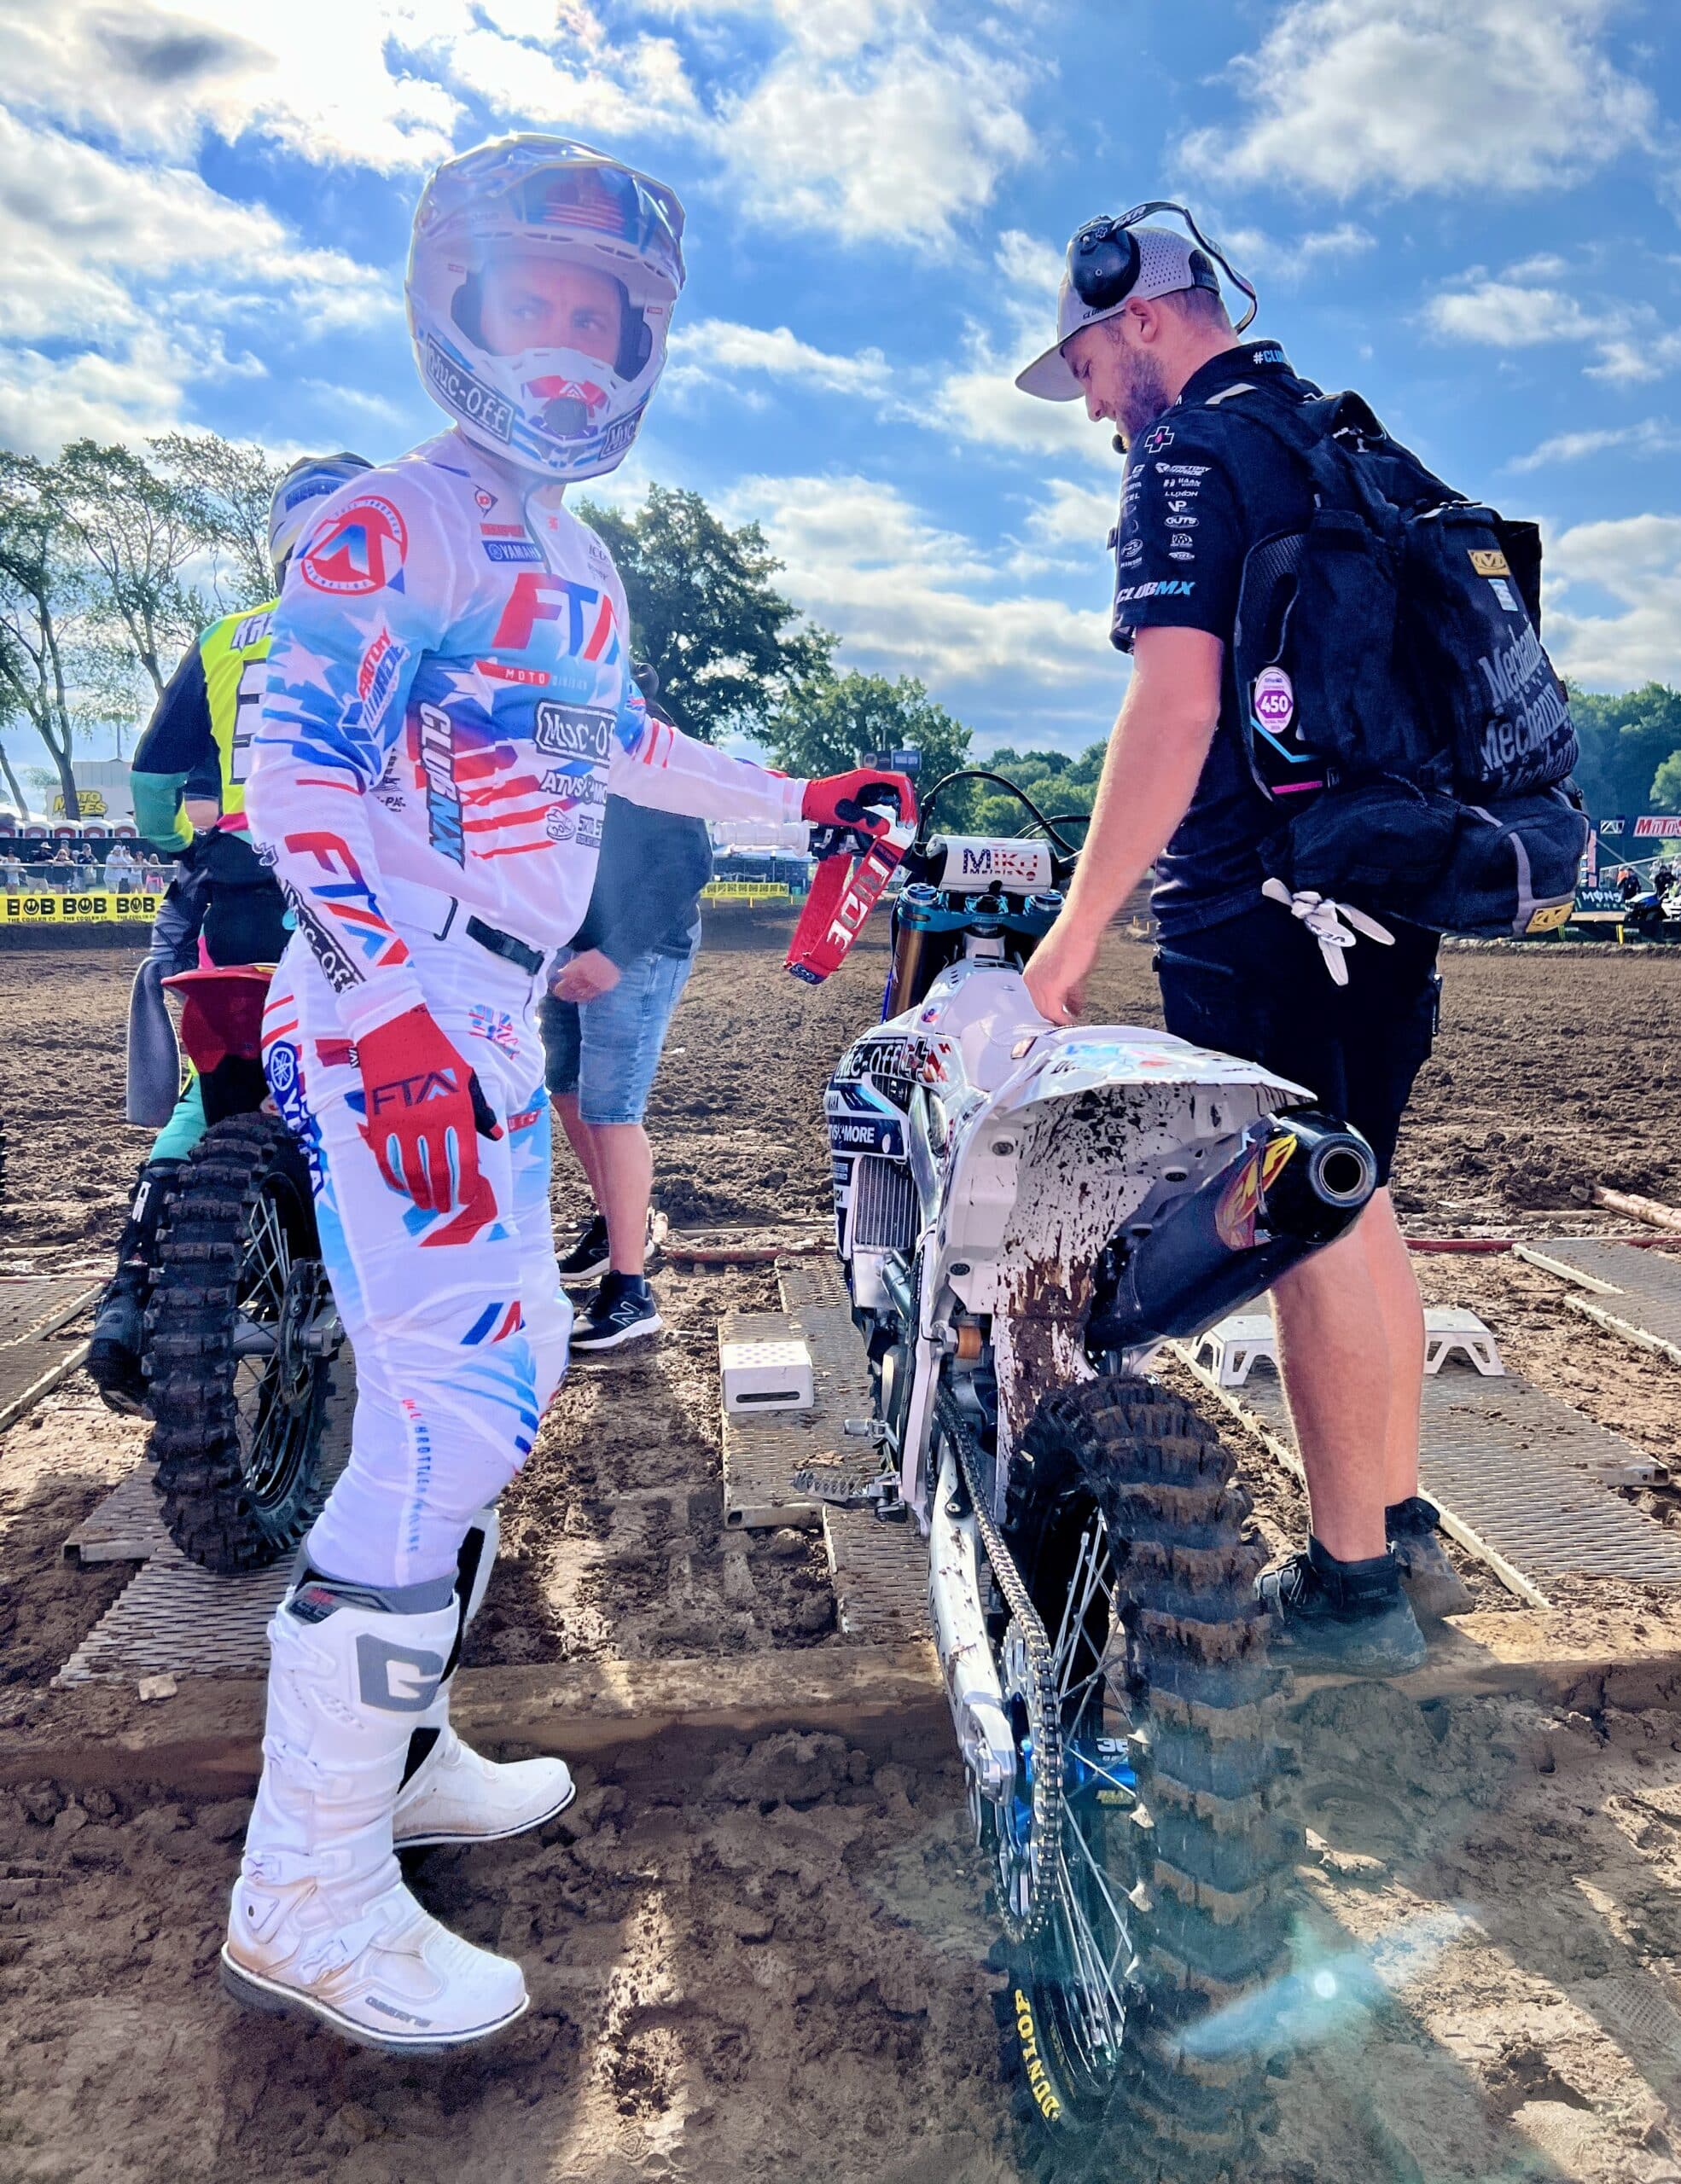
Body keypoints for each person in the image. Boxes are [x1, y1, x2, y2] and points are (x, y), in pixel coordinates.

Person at [225, 132, 912, 2053]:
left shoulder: (579, 557)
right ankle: (305, 1882)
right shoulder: (393, 519)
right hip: (400, 1013)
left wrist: (800, 803)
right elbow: (299, 786)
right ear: (455, 305)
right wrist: (397, 1009)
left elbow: (629, 747)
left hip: (483, 1008)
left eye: (600, 316)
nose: (569, 348)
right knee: (457, 1401)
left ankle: (403, 1746)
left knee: (491, 1363)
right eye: (535, 301)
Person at [1016, 204, 1469, 1676]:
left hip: (1265, 898)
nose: (1086, 400)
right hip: (1382, 879)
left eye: (1084, 362)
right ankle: (1393, 1524)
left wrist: (1078, 927)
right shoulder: (1329, 433)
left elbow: (1175, 705)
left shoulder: (1190, 458)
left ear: (1142, 319)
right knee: (1357, 1193)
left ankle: (1348, 1592)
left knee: (1302, 1221)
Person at [84, 453, 374, 1414]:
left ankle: (130, 1284)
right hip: (360, 895)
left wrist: (195, 836)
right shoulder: (398, 623)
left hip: (239, 897)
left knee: (213, 1092)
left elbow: (159, 794)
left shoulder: (224, 637)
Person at [544, 667, 709, 1351]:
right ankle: (616, 1219)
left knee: (613, 1111)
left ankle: (631, 1290)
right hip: (572, 940)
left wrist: (613, 955)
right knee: (567, 1090)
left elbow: (690, 861)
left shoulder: (647, 737)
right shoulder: (547, 721)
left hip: (639, 945)